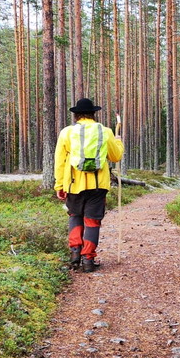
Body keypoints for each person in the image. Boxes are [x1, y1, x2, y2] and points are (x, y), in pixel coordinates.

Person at [54, 98, 124, 273]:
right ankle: (88, 260)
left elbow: (60, 162)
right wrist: (118, 141)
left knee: (75, 216)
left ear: (76, 115)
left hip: (73, 184)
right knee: (92, 221)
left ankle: (75, 254)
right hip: (98, 185)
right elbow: (116, 157)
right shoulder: (105, 131)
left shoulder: (67, 133)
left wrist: (59, 185)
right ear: (93, 113)